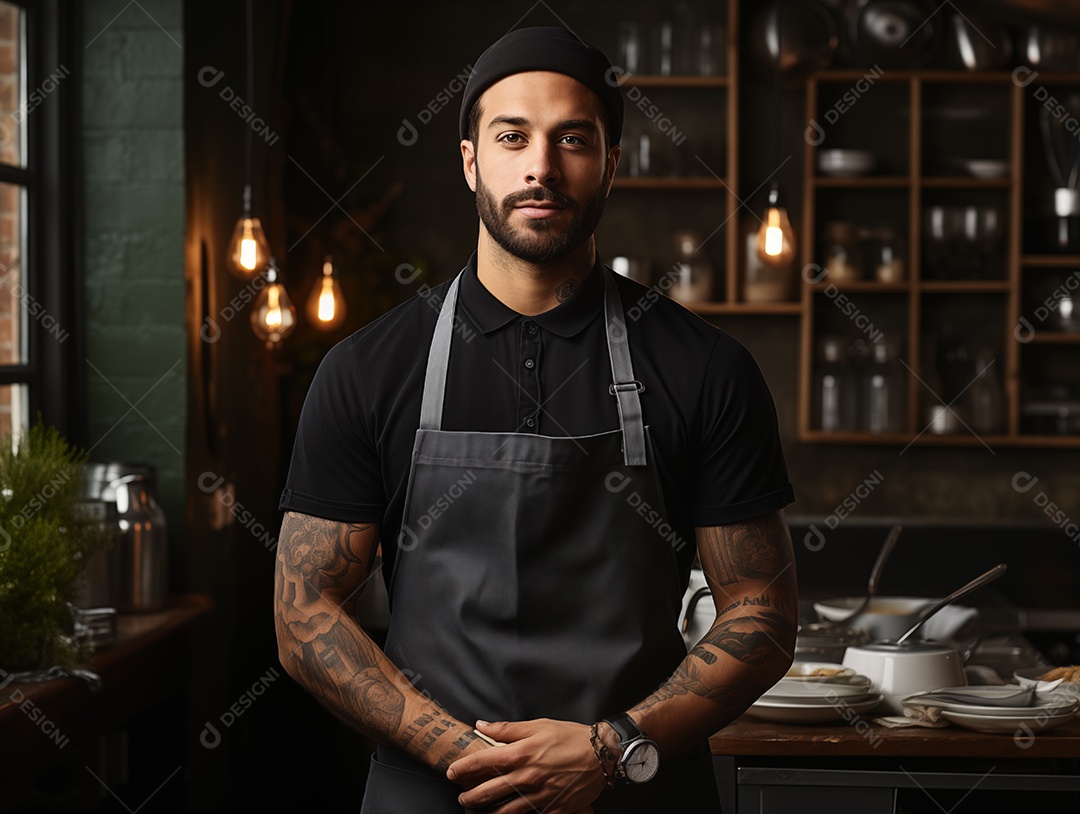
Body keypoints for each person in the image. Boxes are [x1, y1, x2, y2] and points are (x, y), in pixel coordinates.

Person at [274, 26, 798, 814]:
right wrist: (467, 754)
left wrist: (608, 749)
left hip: (632, 795)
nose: (541, 167)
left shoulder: (706, 369)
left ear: (610, 164)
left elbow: (762, 608)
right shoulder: (367, 371)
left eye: (573, 139)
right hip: (434, 794)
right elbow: (303, 611)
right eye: (512, 135)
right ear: (469, 159)